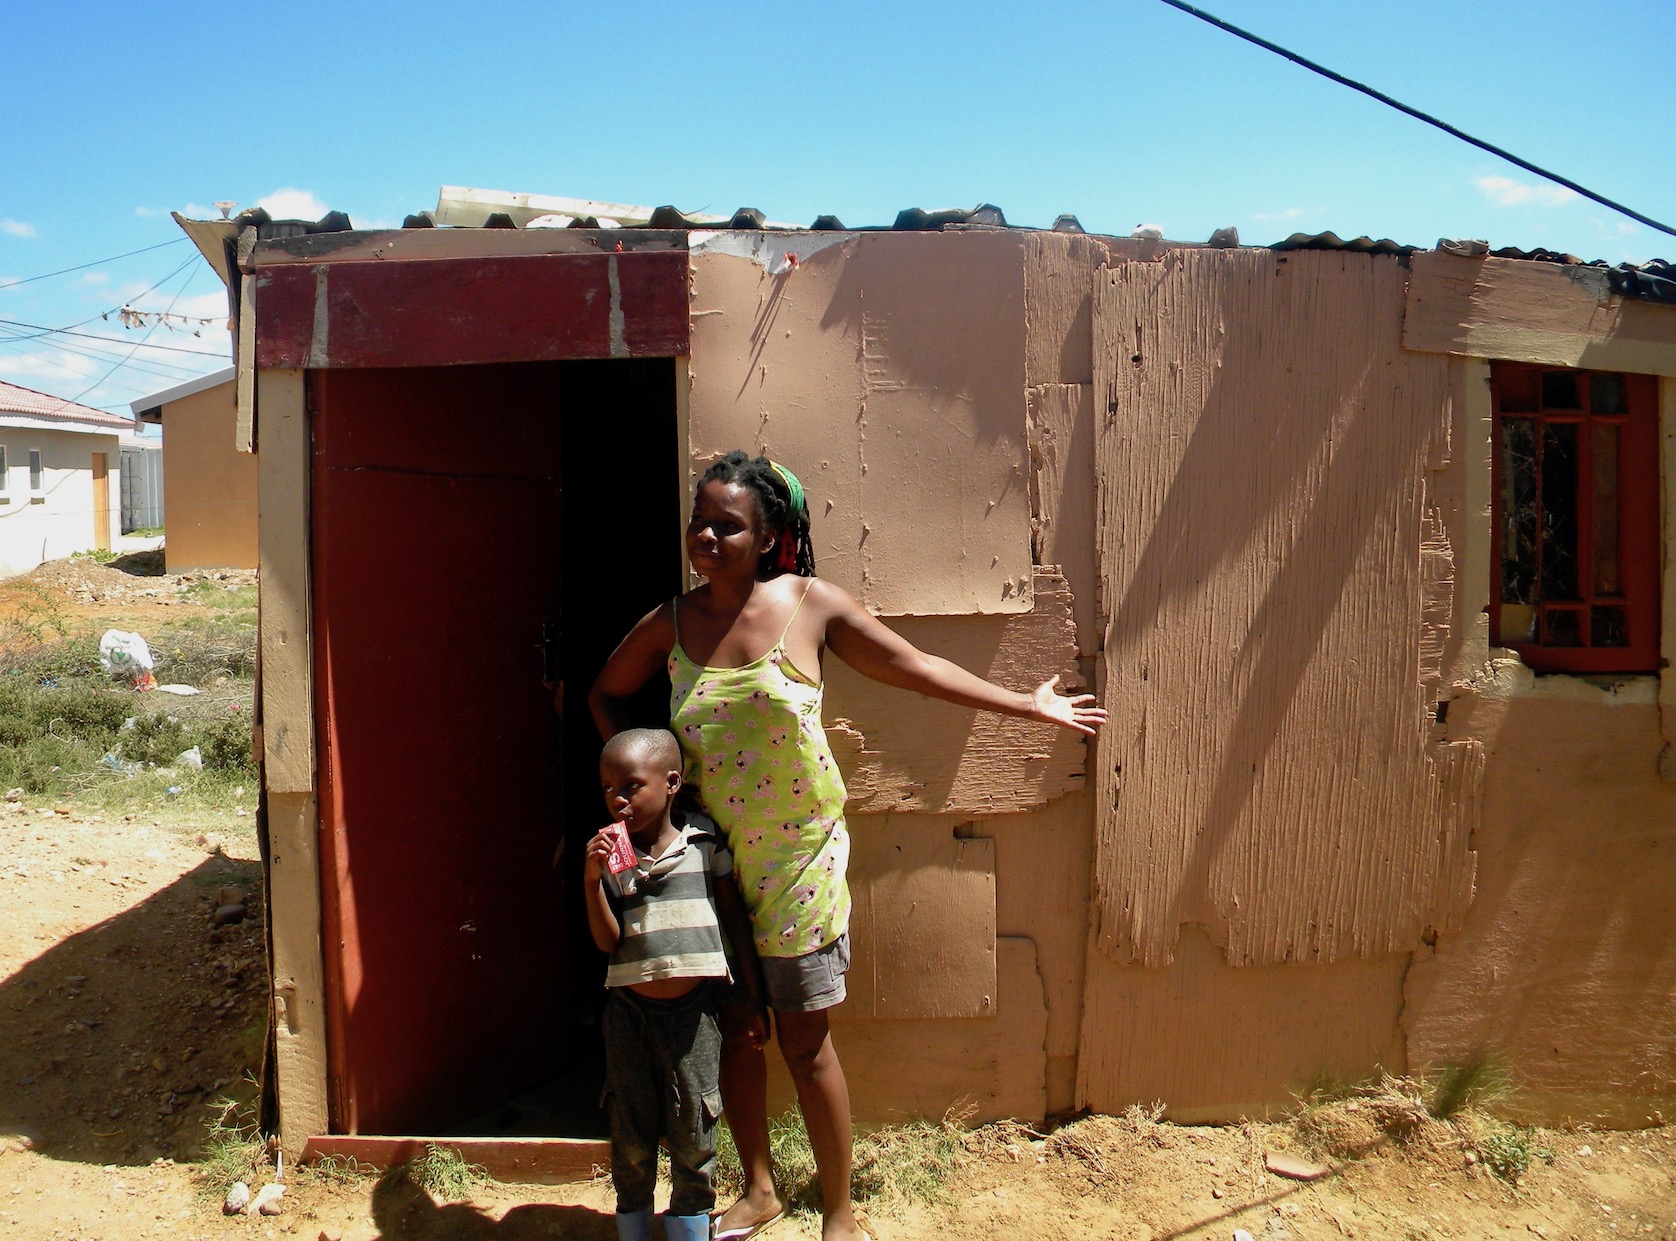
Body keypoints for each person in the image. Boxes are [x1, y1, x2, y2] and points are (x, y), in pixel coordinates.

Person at [590, 452, 1105, 1241]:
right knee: (734, 1029)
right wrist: (644, 803)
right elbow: (606, 693)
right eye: (699, 521)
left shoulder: (809, 606)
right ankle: (758, 1188)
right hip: (704, 862)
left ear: (767, 538)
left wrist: (1027, 706)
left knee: (803, 1038)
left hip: (799, 861)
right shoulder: (673, 620)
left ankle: (840, 1213)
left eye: (728, 524)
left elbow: (917, 667)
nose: (707, 535)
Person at [582, 727, 764, 1241]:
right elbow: (607, 940)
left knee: (694, 1130)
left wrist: (750, 997)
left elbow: (732, 918)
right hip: (629, 1014)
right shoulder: (612, 857)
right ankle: (634, 1225)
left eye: (631, 786)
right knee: (631, 1130)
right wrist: (591, 880)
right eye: (607, 788)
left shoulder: (705, 842)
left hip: (695, 1015)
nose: (617, 799)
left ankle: (688, 1226)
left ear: (671, 784)